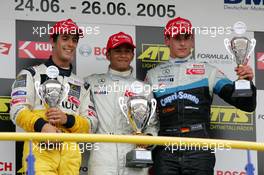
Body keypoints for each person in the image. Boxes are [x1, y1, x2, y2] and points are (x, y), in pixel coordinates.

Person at [145, 17, 257, 175]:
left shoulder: (208, 71)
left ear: (193, 40)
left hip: (199, 146)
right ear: (167, 40)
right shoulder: (153, 75)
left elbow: (245, 104)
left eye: (187, 38)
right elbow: (146, 118)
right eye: (177, 38)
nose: (182, 43)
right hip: (165, 147)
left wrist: (246, 82)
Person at [10, 19, 98, 175]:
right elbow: (17, 111)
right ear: (52, 41)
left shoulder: (82, 85)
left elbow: (91, 125)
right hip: (38, 153)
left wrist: (68, 120)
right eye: (65, 38)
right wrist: (43, 126)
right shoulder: (31, 74)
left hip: (70, 159)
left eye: (74, 40)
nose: (70, 44)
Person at [84, 32, 158, 175]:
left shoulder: (144, 88)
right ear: (107, 55)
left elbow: (153, 125)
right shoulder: (91, 82)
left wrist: (148, 139)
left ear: (132, 55)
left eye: (127, 51)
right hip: (102, 155)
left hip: (134, 153)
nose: (123, 55)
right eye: (117, 51)